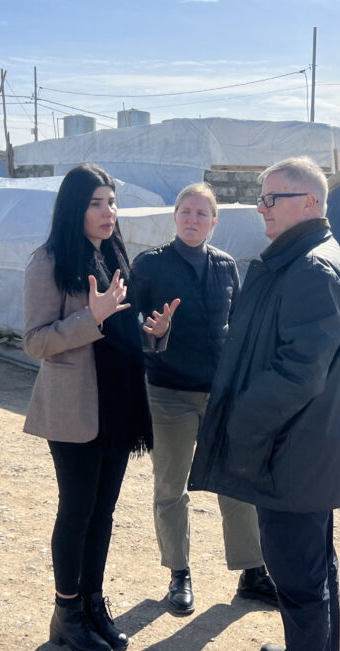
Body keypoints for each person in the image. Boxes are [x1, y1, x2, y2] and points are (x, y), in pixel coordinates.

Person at [188, 157, 340, 651]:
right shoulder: (303, 256)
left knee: (298, 575)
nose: (260, 207)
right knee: (311, 567)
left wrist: (242, 418)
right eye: (260, 197)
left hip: (292, 450)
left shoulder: (312, 267)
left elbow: (299, 372)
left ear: (308, 202)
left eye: (271, 198)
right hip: (301, 446)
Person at [22, 163, 178, 651]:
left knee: (104, 512)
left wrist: (153, 334)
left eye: (111, 201)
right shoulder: (47, 262)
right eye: (96, 202)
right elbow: (35, 341)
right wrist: (91, 317)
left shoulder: (114, 253)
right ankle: (66, 612)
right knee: (78, 510)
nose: (108, 212)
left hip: (118, 402)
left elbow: (122, 331)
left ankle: (92, 602)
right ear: (74, 207)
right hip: (73, 408)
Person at [131, 183, 277, 617]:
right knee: (171, 487)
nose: (193, 219)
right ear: (174, 217)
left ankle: (252, 572)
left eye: (202, 213)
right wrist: (150, 330)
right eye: (186, 211)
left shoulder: (227, 266)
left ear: (215, 222)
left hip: (221, 395)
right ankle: (179, 573)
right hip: (169, 393)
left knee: (236, 484)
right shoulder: (150, 265)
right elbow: (130, 321)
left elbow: (236, 328)